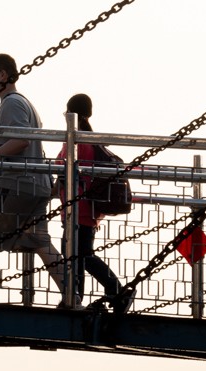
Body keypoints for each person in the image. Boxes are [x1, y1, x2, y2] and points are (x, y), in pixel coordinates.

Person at [0, 54, 71, 306]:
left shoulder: (11, 104)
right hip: (37, 186)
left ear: (2, 75)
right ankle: (71, 295)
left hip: (14, 185)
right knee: (39, 242)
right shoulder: (25, 103)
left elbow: (21, 140)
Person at [54, 93, 126, 306]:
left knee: (81, 256)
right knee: (80, 257)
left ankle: (115, 291)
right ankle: (76, 298)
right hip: (88, 208)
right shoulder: (91, 141)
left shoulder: (75, 140)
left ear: (70, 114)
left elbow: (63, 170)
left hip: (77, 207)